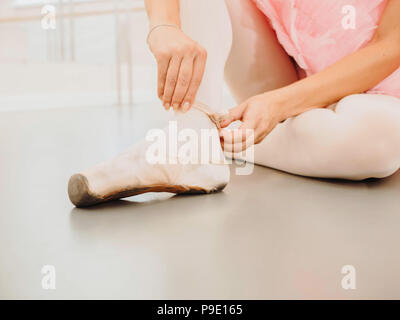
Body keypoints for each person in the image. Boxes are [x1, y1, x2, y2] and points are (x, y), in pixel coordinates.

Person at [68, 0, 400, 207]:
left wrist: (278, 105)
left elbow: (393, 45)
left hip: (376, 95)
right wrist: (164, 25)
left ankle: (201, 143)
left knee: (382, 136)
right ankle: (193, 141)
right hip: (283, 78)